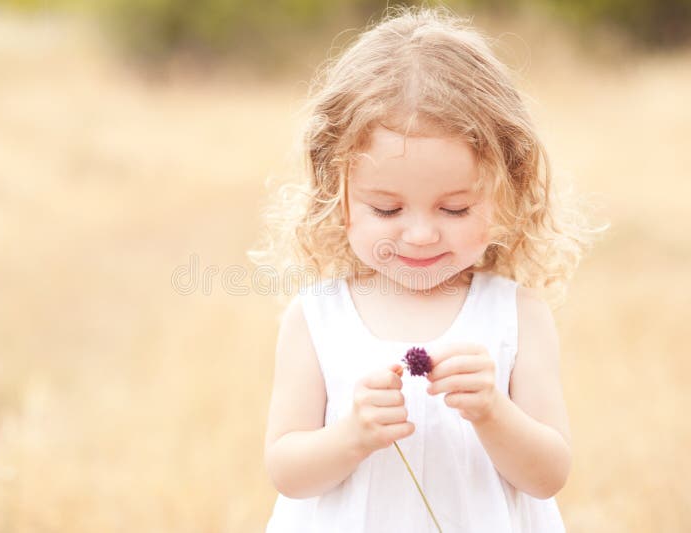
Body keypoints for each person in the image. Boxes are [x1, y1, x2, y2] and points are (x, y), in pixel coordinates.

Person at [248, 5, 602, 532]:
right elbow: (287, 471)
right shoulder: (317, 316)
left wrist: (493, 412)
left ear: (505, 194)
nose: (419, 235)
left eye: (454, 209)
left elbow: (548, 474)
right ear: (337, 197)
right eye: (386, 209)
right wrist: (353, 434)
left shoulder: (516, 313)